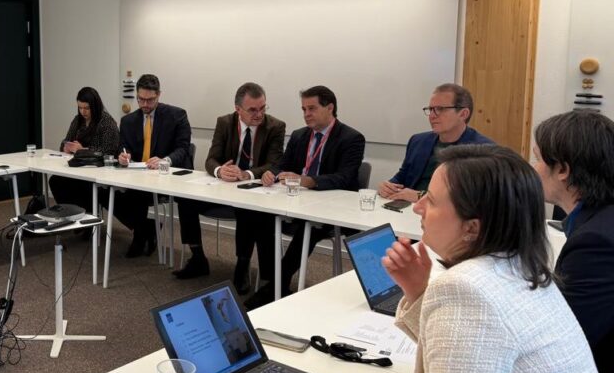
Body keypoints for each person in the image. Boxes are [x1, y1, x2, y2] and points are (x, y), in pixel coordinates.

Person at [246, 144, 614, 373]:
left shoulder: (467, 290)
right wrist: (419, 291)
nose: (418, 207)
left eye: (432, 201)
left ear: (472, 228)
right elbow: (476, 356)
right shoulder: (521, 266)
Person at [245, 85, 365, 307]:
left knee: (309, 227)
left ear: (330, 108)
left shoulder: (351, 138)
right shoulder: (300, 135)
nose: (306, 114)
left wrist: (308, 181)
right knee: (261, 216)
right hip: (298, 201)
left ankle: (275, 286)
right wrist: (272, 173)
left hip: (332, 207)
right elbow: (283, 164)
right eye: (303, 109)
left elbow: (345, 178)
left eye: (312, 108)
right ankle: (271, 280)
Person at [533, 110, 614, 373]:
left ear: (563, 170)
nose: (534, 169)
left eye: (538, 159)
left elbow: (561, 345)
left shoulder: (596, 242)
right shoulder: (599, 220)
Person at [174, 82, 285, 295]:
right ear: (238, 109)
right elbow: (211, 159)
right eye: (252, 110)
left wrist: (247, 174)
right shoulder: (224, 122)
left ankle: (242, 266)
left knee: (247, 210)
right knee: (186, 199)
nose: (259, 114)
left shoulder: (275, 127)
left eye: (263, 108)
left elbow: (274, 163)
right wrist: (220, 171)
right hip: (224, 188)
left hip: (254, 191)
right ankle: (197, 257)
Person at [115, 74, 192, 257]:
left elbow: (183, 148)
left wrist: (165, 160)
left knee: (136, 194)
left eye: (150, 100)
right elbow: (122, 147)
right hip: (137, 175)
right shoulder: (128, 121)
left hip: (164, 176)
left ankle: (139, 237)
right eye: (140, 99)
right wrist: (123, 156)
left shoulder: (177, 116)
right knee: (106, 192)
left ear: (159, 95)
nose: (145, 104)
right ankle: (146, 229)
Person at [378, 83, 493, 202]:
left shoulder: (483, 151)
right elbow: (402, 178)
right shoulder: (418, 141)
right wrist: (388, 186)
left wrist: (421, 196)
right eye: (430, 109)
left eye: (440, 109)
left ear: (463, 114)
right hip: (408, 209)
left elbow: (475, 199)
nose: (432, 116)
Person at [48, 86, 120, 212]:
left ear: (95, 106)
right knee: (55, 180)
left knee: (80, 185)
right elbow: (66, 141)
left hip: (97, 170)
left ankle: (84, 215)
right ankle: (70, 213)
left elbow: (109, 152)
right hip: (78, 168)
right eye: (80, 107)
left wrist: (82, 150)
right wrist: (66, 147)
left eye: (87, 108)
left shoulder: (107, 123)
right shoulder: (78, 120)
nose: (83, 112)